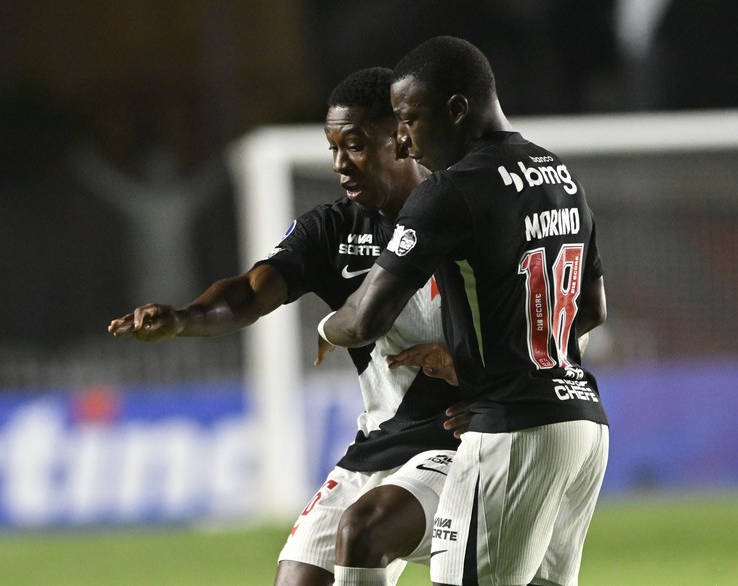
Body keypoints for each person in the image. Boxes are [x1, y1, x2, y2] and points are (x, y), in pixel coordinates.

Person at [109, 67, 464, 586]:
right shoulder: (332, 229)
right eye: (333, 149)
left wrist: (470, 362)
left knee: (365, 530)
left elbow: (553, 321)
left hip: (462, 442)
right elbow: (251, 292)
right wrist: (185, 319)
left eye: (356, 146)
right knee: (297, 577)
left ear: (402, 140)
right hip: (378, 445)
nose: (340, 164)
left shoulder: (466, 214)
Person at [318, 37, 609, 586]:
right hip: (582, 424)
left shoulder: (450, 191)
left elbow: (364, 321)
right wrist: (511, 362)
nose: (402, 141)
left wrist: (326, 328)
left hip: (512, 433)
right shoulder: (560, 176)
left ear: (455, 109)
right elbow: (590, 310)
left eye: (409, 119)